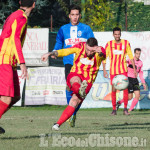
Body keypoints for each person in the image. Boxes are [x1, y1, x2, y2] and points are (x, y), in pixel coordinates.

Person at [41, 38, 105, 130]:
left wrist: (100, 52)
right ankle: (78, 89)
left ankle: (57, 124)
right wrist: (50, 53)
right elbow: (66, 51)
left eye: (92, 51)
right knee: (76, 80)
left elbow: (103, 54)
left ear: (96, 48)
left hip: (88, 81)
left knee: (74, 102)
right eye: (87, 50)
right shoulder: (80, 46)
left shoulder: (100, 52)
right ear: (86, 45)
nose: (89, 53)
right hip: (76, 74)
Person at [53, 4, 94, 127]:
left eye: (77, 15)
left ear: (80, 15)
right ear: (69, 15)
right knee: (69, 87)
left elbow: (92, 43)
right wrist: (55, 51)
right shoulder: (63, 29)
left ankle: (73, 112)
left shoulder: (86, 29)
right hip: (69, 63)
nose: (75, 17)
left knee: (81, 91)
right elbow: (59, 42)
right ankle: (71, 111)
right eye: (73, 15)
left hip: (83, 65)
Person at [0, 0, 36, 134]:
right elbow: (15, 38)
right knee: (6, 98)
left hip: (9, 61)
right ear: (34, 4)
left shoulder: (14, 14)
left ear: (20, 2)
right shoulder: (21, 17)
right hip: (5, 59)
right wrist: (22, 63)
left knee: (15, 96)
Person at [103, 27, 137, 115]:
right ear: (113, 35)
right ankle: (114, 109)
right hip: (113, 71)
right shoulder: (109, 44)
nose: (117, 36)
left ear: (120, 34)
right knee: (113, 90)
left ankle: (125, 109)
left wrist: (134, 69)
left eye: (118, 34)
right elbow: (104, 57)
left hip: (123, 70)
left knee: (125, 89)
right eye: (115, 34)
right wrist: (104, 70)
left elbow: (131, 56)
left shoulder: (126, 43)